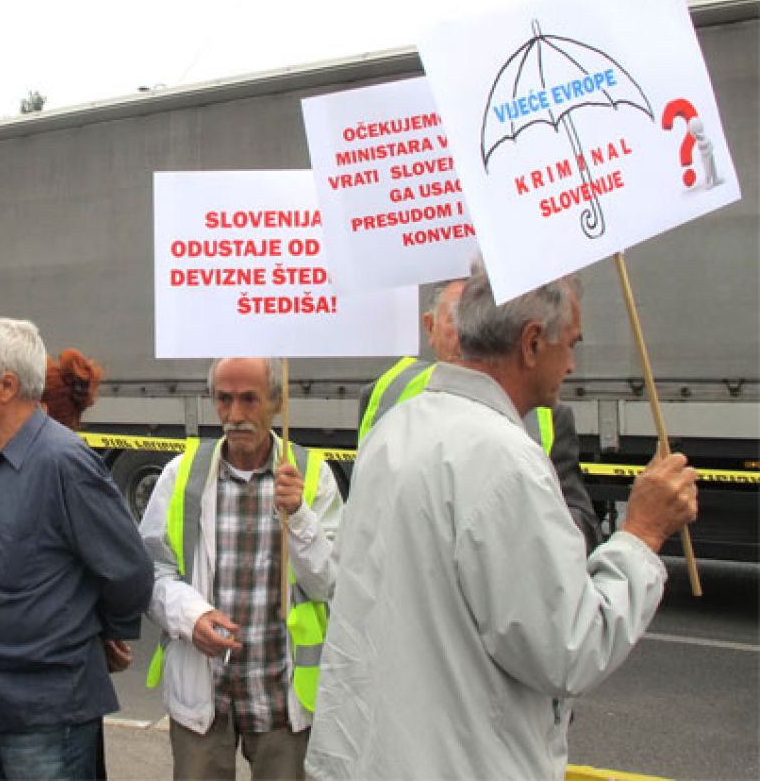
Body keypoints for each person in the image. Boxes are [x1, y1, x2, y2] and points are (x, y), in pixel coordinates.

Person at [305, 260, 699, 780]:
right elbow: (570, 649)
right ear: (532, 342)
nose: (573, 366)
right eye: (572, 344)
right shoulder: (504, 460)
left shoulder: (396, 428)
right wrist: (641, 533)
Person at [0, 318, 153, 780]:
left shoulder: (63, 462)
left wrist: (95, 629)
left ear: (7, 387)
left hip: (41, 714)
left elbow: (129, 571)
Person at [140, 357, 341, 781]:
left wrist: (299, 515)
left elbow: (330, 585)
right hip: (203, 694)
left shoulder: (311, 476)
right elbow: (152, 572)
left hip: (281, 698)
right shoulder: (182, 475)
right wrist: (190, 617)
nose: (234, 415)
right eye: (223, 399)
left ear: (277, 402)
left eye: (249, 399)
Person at [359, 277, 602, 551]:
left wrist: (535, 524)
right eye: (459, 318)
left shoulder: (548, 416)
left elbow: (578, 524)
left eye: (480, 320)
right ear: (430, 326)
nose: (468, 331)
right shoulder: (386, 395)